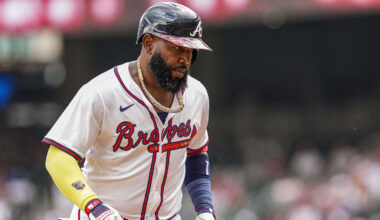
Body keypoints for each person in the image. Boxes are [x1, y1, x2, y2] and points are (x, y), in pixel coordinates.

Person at [43, 2, 216, 220]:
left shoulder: (196, 95)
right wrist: (95, 207)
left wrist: (205, 209)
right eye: (177, 47)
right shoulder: (102, 93)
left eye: (191, 51)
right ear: (149, 43)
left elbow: (196, 154)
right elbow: (58, 158)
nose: (185, 58)